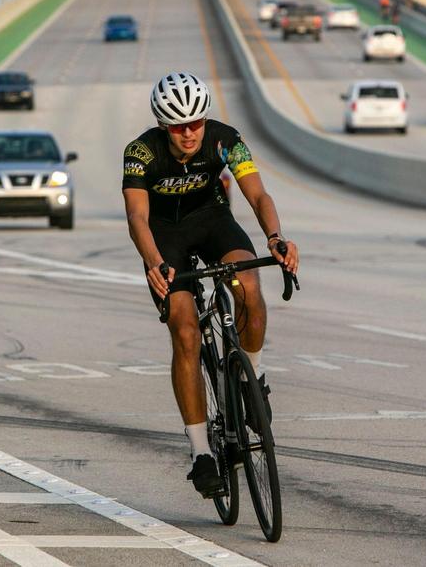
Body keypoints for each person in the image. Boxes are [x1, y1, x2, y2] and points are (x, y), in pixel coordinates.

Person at [122, 72, 300, 498]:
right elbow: (137, 219)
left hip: (213, 222)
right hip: (165, 237)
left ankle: (251, 380)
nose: (189, 134)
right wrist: (155, 263)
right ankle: (201, 451)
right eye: (179, 127)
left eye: (196, 124)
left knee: (249, 289)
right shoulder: (140, 153)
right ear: (164, 126)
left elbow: (257, 195)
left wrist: (275, 237)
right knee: (185, 331)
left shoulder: (225, 139)